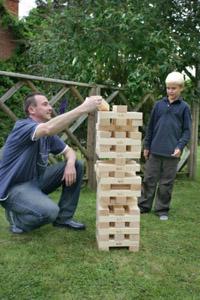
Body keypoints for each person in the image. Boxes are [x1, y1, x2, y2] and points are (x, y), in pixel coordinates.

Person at [0, 92, 103, 233]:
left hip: (36, 182)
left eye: (49, 104)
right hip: (14, 187)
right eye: (45, 104)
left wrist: (71, 164)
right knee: (50, 212)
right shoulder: (23, 127)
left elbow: (69, 151)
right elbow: (48, 128)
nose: (50, 107)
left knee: (77, 165)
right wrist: (84, 108)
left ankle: (63, 219)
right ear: (31, 110)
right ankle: (16, 219)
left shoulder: (47, 135)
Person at [138, 71, 192, 220]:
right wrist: (147, 146)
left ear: (181, 88)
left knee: (166, 183)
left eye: (174, 88)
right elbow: (150, 127)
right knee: (149, 179)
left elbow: (187, 131)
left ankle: (162, 210)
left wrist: (179, 147)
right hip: (155, 150)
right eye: (168, 88)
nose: (170, 91)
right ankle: (144, 206)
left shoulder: (184, 108)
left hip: (171, 153)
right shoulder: (158, 105)